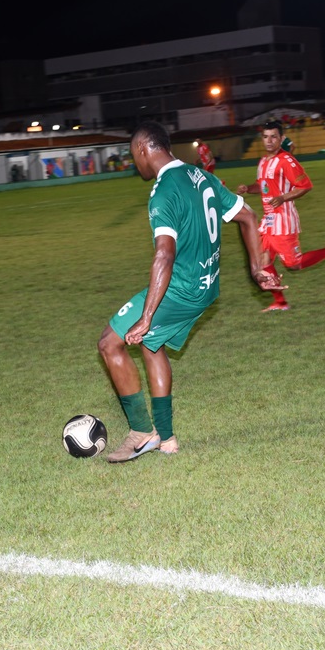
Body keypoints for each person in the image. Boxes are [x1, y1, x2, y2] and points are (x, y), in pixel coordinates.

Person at [98, 121, 283, 463]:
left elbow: (164, 254)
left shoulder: (164, 190)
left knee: (110, 344)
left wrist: (146, 316)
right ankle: (166, 439)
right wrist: (258, 268)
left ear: (142, 150)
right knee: (153, 344)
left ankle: (141, 434)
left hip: (181, 289)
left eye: (132, 156)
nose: (134, 164)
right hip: (207, 287)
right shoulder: (203, 177)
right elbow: (248, 215)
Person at [237, 120, 325, 312]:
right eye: (266, 137)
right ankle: (280, 302)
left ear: (281, 139)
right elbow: (263, 185)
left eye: (273, 137)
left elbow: (305, 185)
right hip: (267, 221)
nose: (269, 141)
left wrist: (283, 197)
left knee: (294, 264)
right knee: (263, 261)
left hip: (283, 220)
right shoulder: (263, 161)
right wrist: (248, 188)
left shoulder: (287, 161)